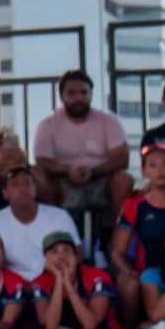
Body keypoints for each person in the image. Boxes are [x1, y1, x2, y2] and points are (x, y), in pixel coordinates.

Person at [33, 68, 131, 218]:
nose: (78, 98)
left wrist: (94, 172)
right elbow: (42, 162)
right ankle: (54, 236)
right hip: (62, 182)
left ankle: (119, 236)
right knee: (37, 176)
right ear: (61, 96)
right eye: (71, 93)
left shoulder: (108, 120)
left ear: (91, 95)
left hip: (102, 180)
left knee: (124, 179)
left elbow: (122, 158)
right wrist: (68, 171)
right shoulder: (47, 124)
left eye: (84, 93)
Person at [112, 140, 165, 329]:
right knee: (127, 284)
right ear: (144, 171)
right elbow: (118, 252)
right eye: (153, 165)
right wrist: (128, 271)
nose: (160, 170)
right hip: (148, 272)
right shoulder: (134, 206)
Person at [0, 165, 77, 282]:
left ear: (35, 190)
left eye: (27, 183)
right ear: (5, 193)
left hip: (54, 282)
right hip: (12, 287)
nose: (22, 188)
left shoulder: (60, 216)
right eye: (15, 184)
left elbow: (76, 256)